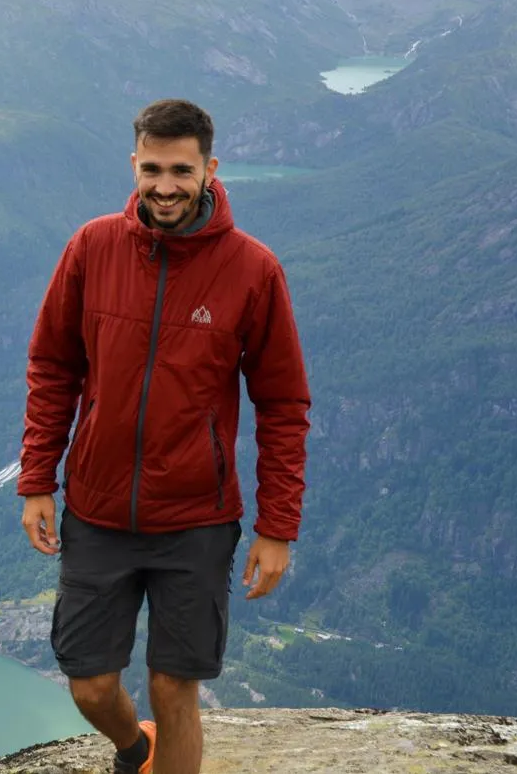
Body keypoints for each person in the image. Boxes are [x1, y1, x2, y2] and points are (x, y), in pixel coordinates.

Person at [17, 98, 310, 774]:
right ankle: (133, 748)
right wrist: (36, 478)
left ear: (210, 168)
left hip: (197, 519)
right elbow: (53, 366)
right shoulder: (92, 248)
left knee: (174, 684)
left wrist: (277, 526)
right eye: (153, 169)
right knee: (90, 685)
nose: (166, 186)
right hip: (97, 508)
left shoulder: (252, 270)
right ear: (134, 164)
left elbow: (283, 403)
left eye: (182, 170)